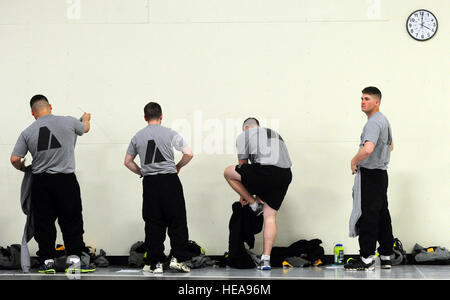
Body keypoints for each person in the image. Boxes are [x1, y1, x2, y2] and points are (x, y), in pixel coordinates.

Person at [10, 94, 93, 274]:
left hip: (41, 182)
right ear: (50, 106)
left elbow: (15, 159)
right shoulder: (69, 122)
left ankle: (47, 262)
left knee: (44, 222)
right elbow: (85, 128)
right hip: (66, 180)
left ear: (33, 112)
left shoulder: (27, 132)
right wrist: (86, 119)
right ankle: (74, 261)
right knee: (71, 220)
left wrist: (24, 168)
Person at [124, 102, 194, 274]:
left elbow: (127, 162)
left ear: (145, 117)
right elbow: (189, 153)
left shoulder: (137, 136)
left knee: (153, 222)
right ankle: (177, 259)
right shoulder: (170, 132)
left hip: (150, 183)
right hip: (170, 181)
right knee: (176, 220)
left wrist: (142, 171)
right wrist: (178, 166)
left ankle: (155, 263)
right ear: (161, 116)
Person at [224, 117, 292, 270]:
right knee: (270, 216)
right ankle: (266, 259)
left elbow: (242, 167)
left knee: (228, 172)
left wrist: (247, 198)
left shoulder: (244, 135)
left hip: (265, 171)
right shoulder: (274, 133)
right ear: (258, 126)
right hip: (285, 175)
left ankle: (255, 205)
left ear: (246, 128)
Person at [346, 86, 394, 271]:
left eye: (367, 98)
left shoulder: (373, 122)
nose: (363, 101)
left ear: (377, 102)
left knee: (368, 215)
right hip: (381, 174)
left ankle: (366, 259)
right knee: (382, 215)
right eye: (362, 98)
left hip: (371, 175)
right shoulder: (385, 121)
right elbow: (391, 146)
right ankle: (386, 256)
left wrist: (354, 161)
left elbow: (367, 149)